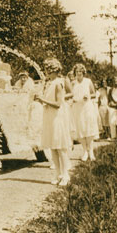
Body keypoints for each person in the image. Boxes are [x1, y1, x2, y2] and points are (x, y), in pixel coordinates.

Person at [35, 58, 72, 186]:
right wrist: (41, 100)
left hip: (57, 117)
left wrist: (43, 100)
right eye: (47, 70)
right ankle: (58, 174)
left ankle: (66, 175)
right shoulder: (49, 84)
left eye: (50, 71)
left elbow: (58, 104)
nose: (48, 73)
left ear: (56, 71)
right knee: (53, 147)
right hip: (49, 117)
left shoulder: (58, 83)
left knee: (60, 147)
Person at [71, 63, 99, 161]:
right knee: (81, 129)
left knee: (89, 128)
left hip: (87, 107)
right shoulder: (73, 83)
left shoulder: (88, 81)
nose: (79, 73)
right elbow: (69, 94)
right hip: (77, 108)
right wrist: (72, 99)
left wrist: (88, 96)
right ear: (75, 73)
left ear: (83, 72)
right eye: (77, 72)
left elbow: (94, 94)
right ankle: (84, 151)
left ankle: (91, 151)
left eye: (80, 71)